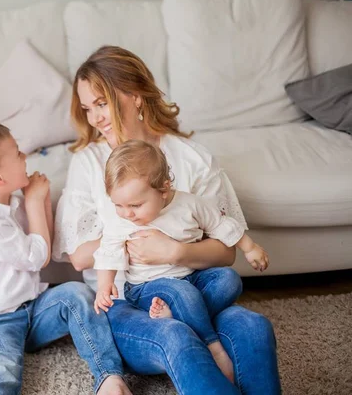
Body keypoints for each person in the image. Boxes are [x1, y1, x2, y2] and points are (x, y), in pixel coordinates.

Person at [53, 46, 281, 394]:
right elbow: (81, 256)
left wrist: (175, 251)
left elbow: (226, 253)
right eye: (87, 108)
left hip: (194, 290)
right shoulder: (89, 163)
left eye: (102, 103)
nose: (95, 118)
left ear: (136, 96)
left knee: (253, 328)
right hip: (127, 303)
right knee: (175, 335)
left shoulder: (191, 158)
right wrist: (142, 230)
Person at [0, 122, 131, 395]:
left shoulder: (12, 200)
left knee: (77, 294)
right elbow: (36, 258)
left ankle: (109, 377)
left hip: (30, 310)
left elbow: (46, 240)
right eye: (18, 154)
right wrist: (34, 202)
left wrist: (39, 201)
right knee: (3, 374)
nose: (25, 158)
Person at [93, 139, 270, 382]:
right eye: (118, 205)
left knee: (229, 279)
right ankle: (212, 346)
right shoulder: (122, 222)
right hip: (147, 287)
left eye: (135, 205)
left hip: (192, 276)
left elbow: (220, 225)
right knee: (182, 292)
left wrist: (250, 248)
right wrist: (105, 285)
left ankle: (178, 315)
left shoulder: (190, 204)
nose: (127, 213)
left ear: (163, 190)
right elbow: (108, 251)